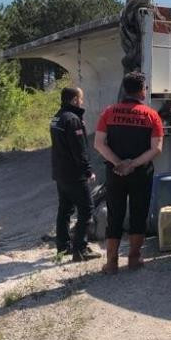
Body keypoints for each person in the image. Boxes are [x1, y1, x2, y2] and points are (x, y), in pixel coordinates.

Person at [93, 72, 164, 274]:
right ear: (141, 91)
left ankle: (111, 263)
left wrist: (118, 163)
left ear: (125, 89)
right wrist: (133, 164)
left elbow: (98, 144)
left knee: (115, 214)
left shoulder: (109, 112)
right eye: (145, 88)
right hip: (141, 172)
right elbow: (156, 148)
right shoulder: (152, 115)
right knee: (138, 213)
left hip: (115, 173)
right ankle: (134, 258)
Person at [50, 87, 100, 262]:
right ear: (73, 100)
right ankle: (81, 249)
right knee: (86, 210)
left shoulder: (57, 117)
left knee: (64, 210)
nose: (82, 102)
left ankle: (63, 247)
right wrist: (87, 170)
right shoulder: (72, 120)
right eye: (80, 99)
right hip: (74, 174)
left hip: (60, 172)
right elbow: (79, 150)